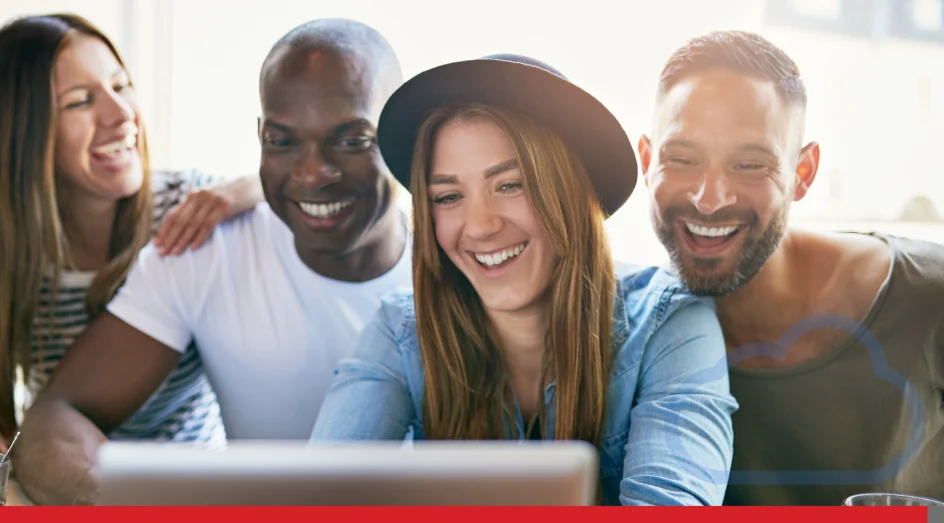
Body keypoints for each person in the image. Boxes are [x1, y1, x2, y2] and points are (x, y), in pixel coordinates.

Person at [14, 18, 413, 505]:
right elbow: (55, 417)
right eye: (283, 142)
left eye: (352, 141)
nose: (312, 174)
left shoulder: (470, 258)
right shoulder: (204, 250)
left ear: (399, 135)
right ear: (261, 136)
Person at [310, 54, 738, 506]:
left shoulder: (670, 325)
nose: (479, 226)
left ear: (570, 194)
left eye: (510, 185)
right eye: (449, 196)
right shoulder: (401, 330)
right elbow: (319, 499)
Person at [0, 14, 264, 457]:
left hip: (194, 487)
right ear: (21, 134)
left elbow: (298, 191)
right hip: (60, 487)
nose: (121, 114)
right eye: (81, 101)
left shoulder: (187, 211)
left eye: (121, 87)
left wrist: (249, 188)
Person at [638, 30, 944, 505]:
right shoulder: (628, 334)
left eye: (749, 164)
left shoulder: (929, 298)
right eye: (682, 158)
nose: (709, 197)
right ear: (646, 161)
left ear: (802, 174)